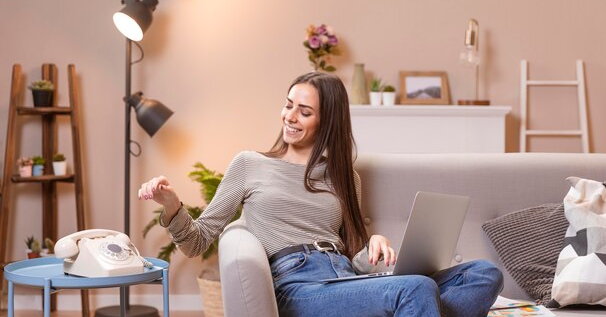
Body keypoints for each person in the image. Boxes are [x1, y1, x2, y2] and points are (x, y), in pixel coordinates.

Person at [138, 71, 503, 317]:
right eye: (288, 105)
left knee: (484, 275)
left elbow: (355, 253)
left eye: (305, 111)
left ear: (327, 121)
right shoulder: (249, 164)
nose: (290, 117)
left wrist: (372, 242)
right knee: (416, 290)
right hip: (296, 285)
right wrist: (171, 207)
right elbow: (197, 241)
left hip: (346, 277)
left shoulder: (345, 177)